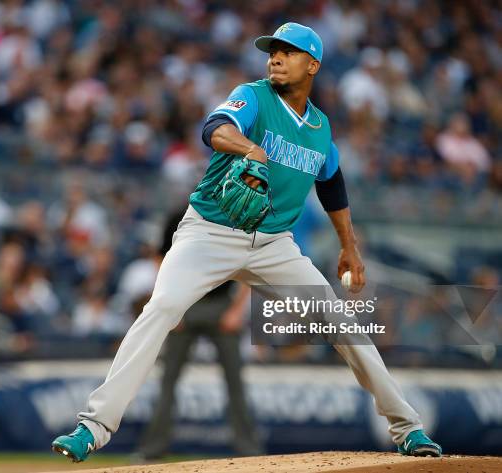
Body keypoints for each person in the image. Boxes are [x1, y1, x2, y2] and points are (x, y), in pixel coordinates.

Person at [52, 23, 442, 462]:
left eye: (287, 52)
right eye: (272, 51)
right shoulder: (254, 97)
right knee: (161, 308)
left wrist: (348, 245)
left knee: (342, 323)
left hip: (274, 244)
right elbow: (214, 128)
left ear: (312, 64)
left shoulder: (320, 128)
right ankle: (94, 427)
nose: (275, 57)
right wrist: (250, 150)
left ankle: (408, 428)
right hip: (210, 232)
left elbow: (332, 184)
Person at [136, 210, 262, 459]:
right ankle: (151, 450)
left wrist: (237, 310)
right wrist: (171, 303)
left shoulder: (235, 212)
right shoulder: (178, 216)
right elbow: (160, 259)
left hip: (222, 303)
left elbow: (253, 262)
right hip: (186, 301)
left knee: (235, 382)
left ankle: (249, 452)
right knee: (168, 380)